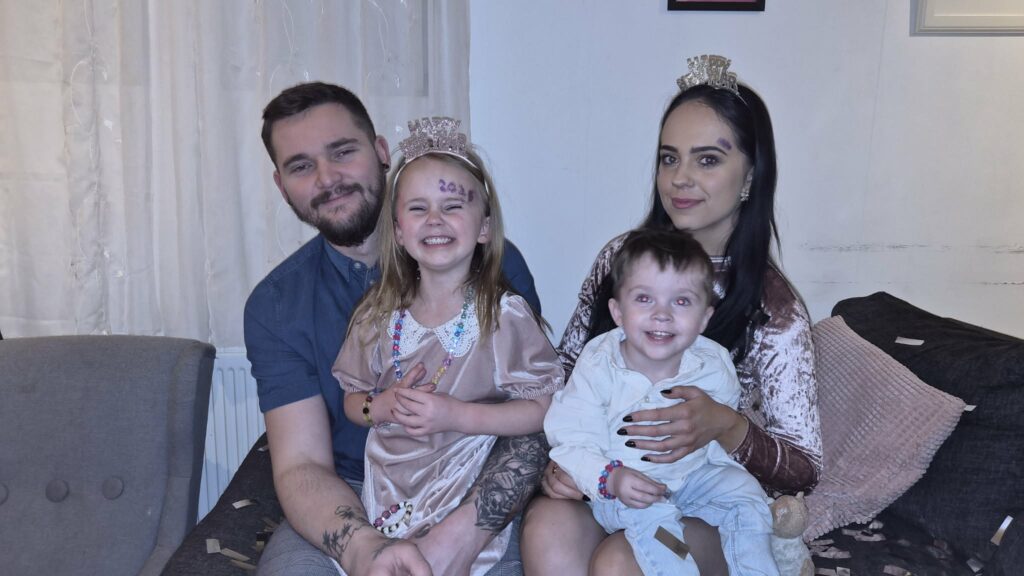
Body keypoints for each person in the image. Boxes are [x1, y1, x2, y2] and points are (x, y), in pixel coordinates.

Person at [522, 55, 822, 576]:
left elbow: (804, 468)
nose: (680, 179)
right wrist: (571, 463)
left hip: (715, 509)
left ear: (750, 175)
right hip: (618, 488)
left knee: (623, 561)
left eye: (707, 160)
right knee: (547, 528)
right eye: (669, 158)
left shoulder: (772, 309)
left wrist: (726, 426)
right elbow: (567, 373)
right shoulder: (619, 260)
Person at [245, 83, 547, 576]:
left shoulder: (492, 270)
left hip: (473, 488)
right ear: (281, 186)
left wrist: (461, 536)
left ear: (382, 152)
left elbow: (537, 420)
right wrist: (364, 548)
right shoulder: (276, 306)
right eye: (301, 166)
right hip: (353, 494)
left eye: (342, 152)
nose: (328, 178)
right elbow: (301, 465)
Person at [334, 116, 563, 576]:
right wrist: (382, 406)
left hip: (463, 493)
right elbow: (352, 401)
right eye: (418, 208)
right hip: (388, 493)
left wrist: (459, 416)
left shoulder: (503, 317)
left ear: (484, 228)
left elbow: (544, 409)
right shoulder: (376, 316)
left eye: (452, 206)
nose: (434, 220)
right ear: (399, 231)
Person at [544, 228, 778, 576]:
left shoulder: (713, 363)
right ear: (617, 312)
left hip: (694, 477)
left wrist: (720, 468)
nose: (662, 314)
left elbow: (715, 435)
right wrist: (610, 477)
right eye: (644, 298)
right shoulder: (599, 364)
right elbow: (570, 436)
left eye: (681, 302)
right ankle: (678, 566)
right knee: (664, 536)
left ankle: (757, 568)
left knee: (746, 495)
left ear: (704, 318)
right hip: (626, 491)